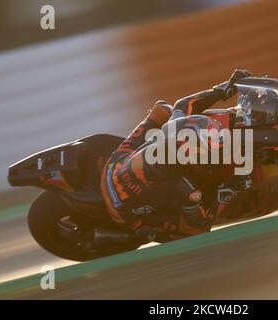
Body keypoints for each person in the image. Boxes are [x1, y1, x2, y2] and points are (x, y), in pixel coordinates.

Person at [100, 69, 253, 243]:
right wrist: (232, 188)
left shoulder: (174, 132)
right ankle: (144, 231)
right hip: (121, 209)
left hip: (115, 165)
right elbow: (201, 224)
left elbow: (184, 104)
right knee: (193, 233)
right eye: (211, 156)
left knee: (163, 110)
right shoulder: (183, 187)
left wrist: (225, 88)